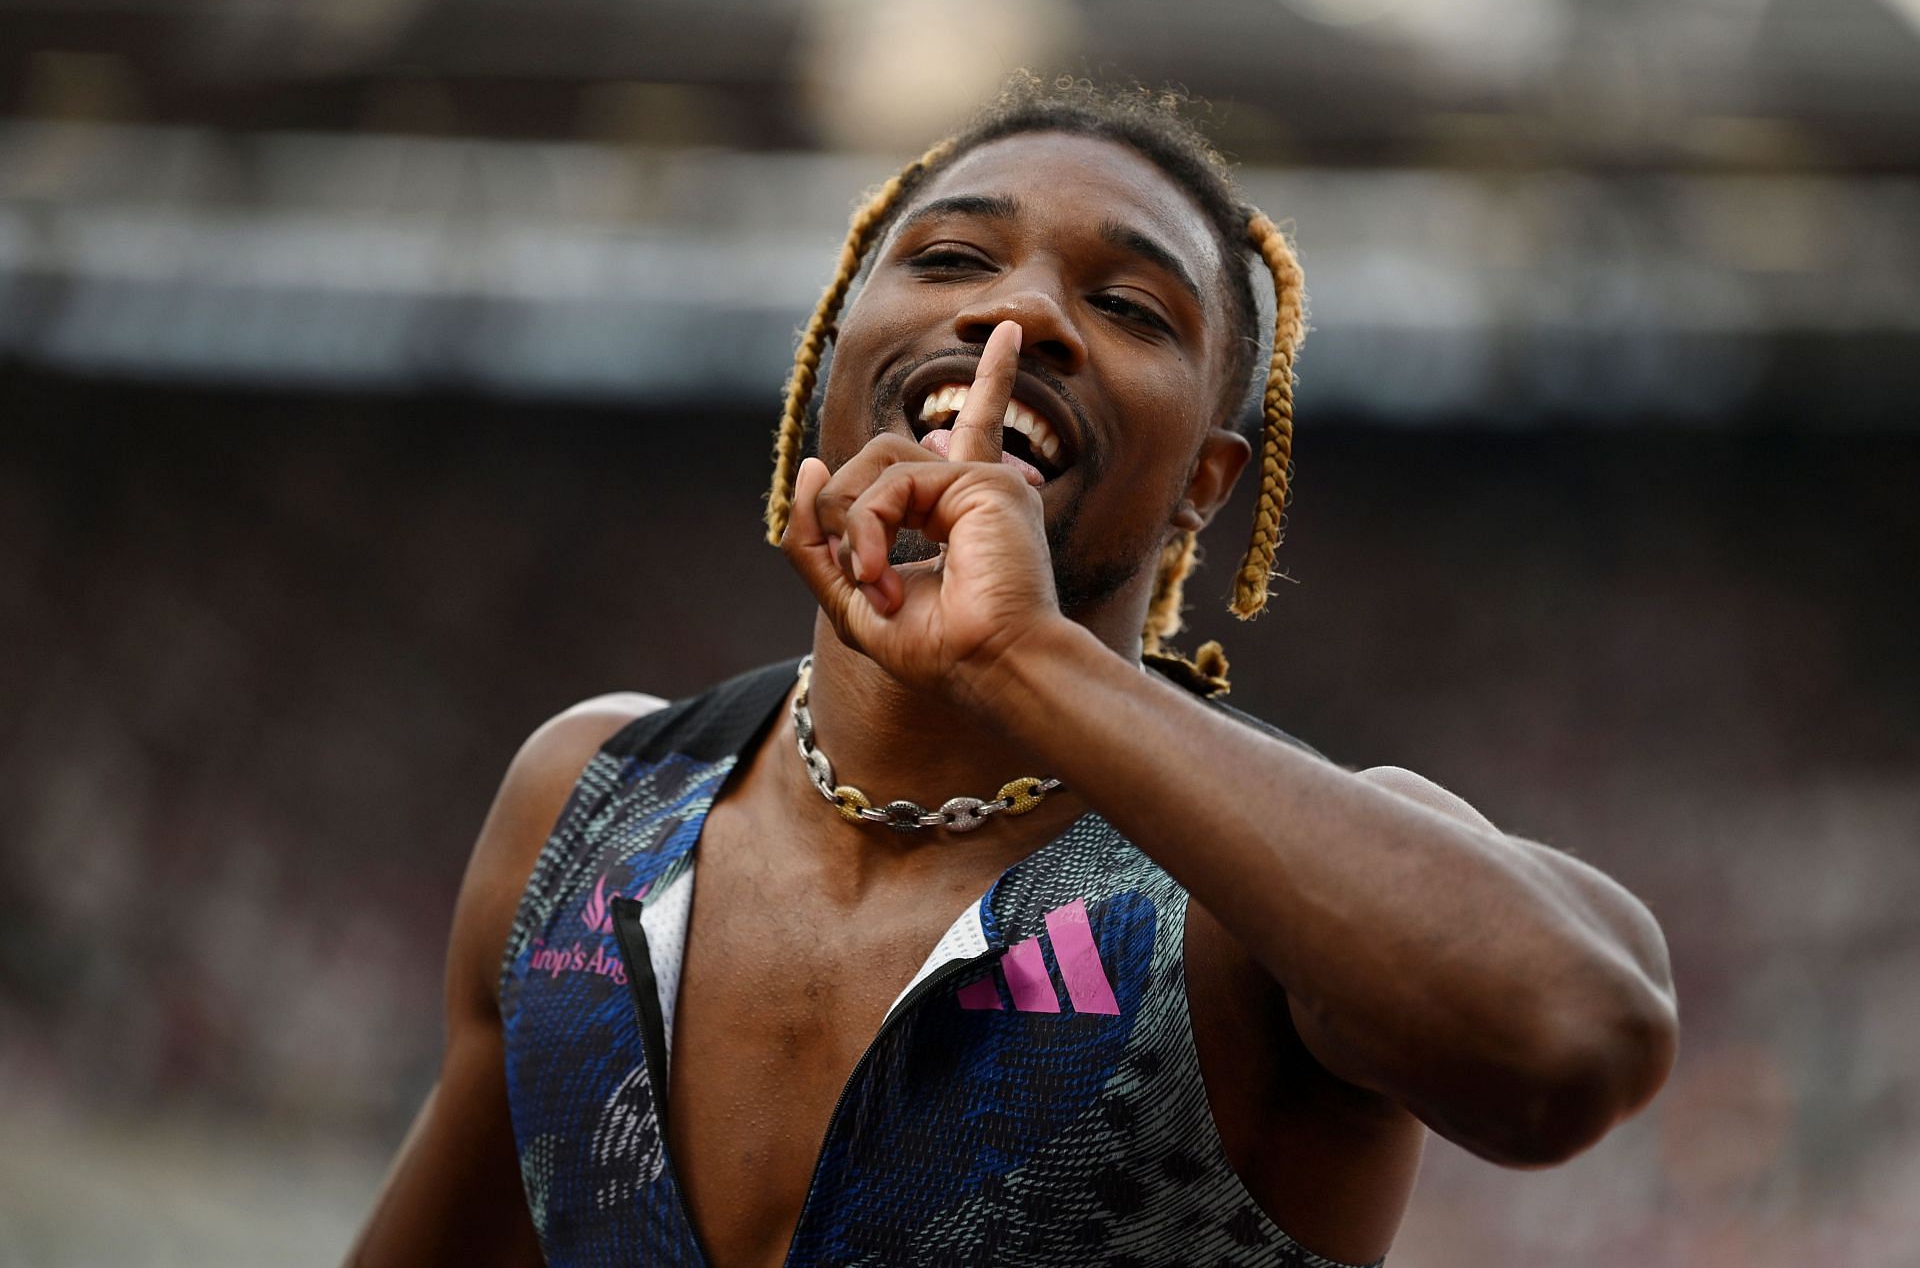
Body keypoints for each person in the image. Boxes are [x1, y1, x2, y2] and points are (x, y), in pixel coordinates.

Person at [346, 76, 1677, 1268]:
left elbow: (1572, 1040)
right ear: (833, 351)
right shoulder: (594, 802)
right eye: (950, 257)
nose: (1020, 311)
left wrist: (1019, 654)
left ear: (1205, 487)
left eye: (1125, 306)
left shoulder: (1249, 903)